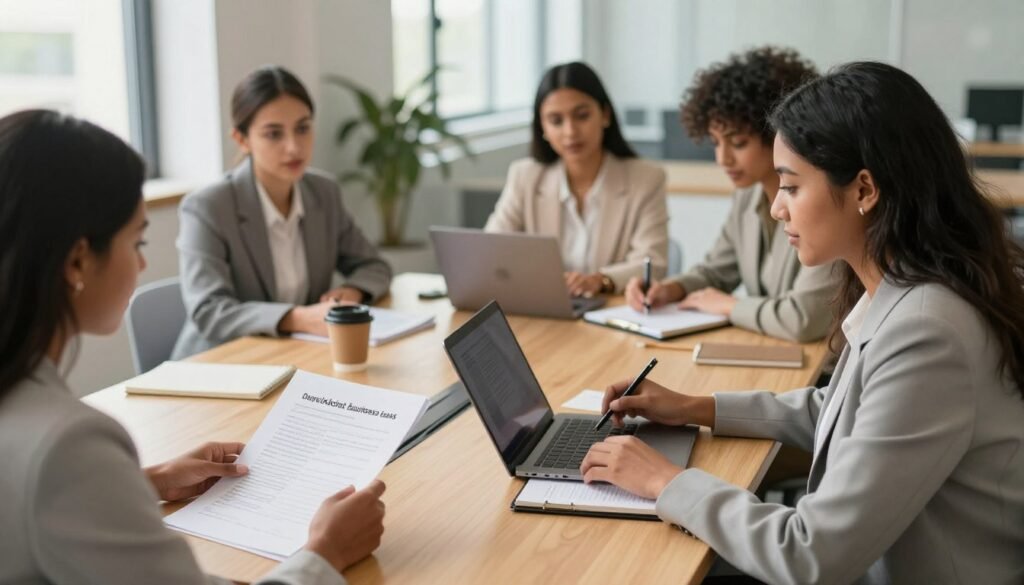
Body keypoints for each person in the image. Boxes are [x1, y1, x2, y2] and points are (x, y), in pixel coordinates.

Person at [583, 62, 1024, 583]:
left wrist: (666, 482)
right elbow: (841, 407)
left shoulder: (929, 330)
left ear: (864, 190)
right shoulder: (909, 288)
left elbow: (810, 556)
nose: (775, 208)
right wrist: (694, 407)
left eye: (790, 187)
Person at [0, 110, 385, 584]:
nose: (143, 264)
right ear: (78, 259)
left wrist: (149, 481)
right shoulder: (69, 444)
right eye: (137, 242)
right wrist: (326, 551)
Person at [172, 66, 391, 359]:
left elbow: (374, 266)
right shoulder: (208, 207)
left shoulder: (323, 193)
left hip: (294, 356)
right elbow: (210, 311)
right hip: (222, 363)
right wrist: (297, 318)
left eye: (303, 128)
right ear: (242, 139)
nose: (294, 147)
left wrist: (350, 292)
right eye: (274, 134)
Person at [625, 47, 833, 342]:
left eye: (737, 143)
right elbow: (715, 272)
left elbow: (802, 319)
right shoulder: (748, 196)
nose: (722, 159)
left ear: (778, 135)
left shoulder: (824, 204)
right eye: (715, 142)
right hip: (771, 352)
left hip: (819, 372)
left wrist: (729, 305)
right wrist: (670, 289)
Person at [484, 61, 668, 296]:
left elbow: (652, 264)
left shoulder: (646, 179)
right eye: (556, 121)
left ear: (605, 115)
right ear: (543, 127)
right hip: (544, 310)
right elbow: (492, 251)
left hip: (611, 312)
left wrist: (600, 281)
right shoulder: (525, 176)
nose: (570, 131)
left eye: (582, 116)